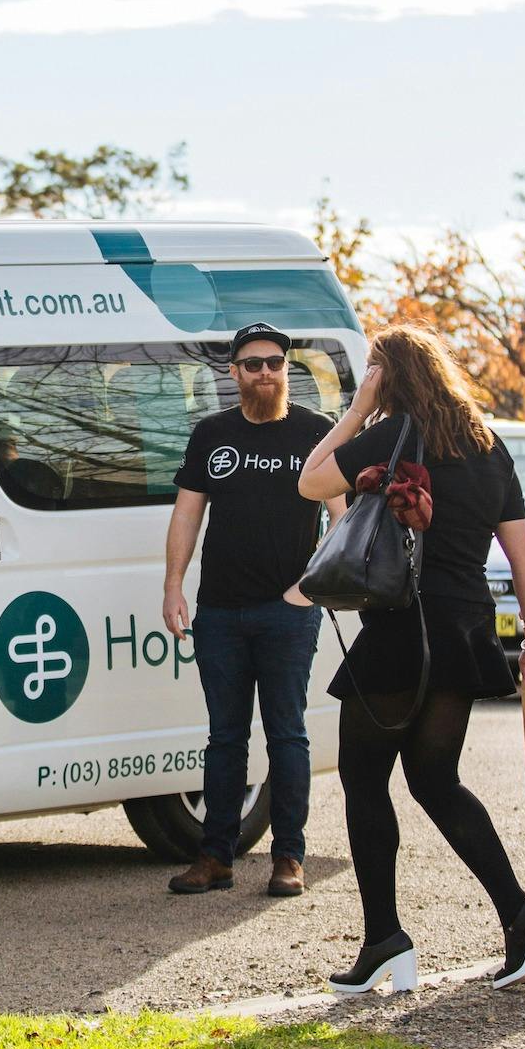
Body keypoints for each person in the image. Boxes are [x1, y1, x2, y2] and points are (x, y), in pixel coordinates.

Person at [299, 324, 525, 994]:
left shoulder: (394, 434)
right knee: (435, 780)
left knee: (364, 781)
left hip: (401, 628)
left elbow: (310, 482)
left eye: (372, 371)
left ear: (388, 376)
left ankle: (386, 941)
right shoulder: (487, 444)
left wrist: (359, 408)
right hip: (466, 626)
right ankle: (522, 914)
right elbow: (523, 554)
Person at [162, 323, 345, 898]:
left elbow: (343, 519)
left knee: (287, 734)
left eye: (274, 363)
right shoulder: (212, 435)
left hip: (288, 613)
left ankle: (288, 857)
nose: (264, 372)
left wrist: (308, 588)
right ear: (234, 372)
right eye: (252, 363)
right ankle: (215, 856)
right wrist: (173, 585)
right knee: (224, 738)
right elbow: (188, 514)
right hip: (219, 611)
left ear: (286, 370)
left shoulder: (317, 435)